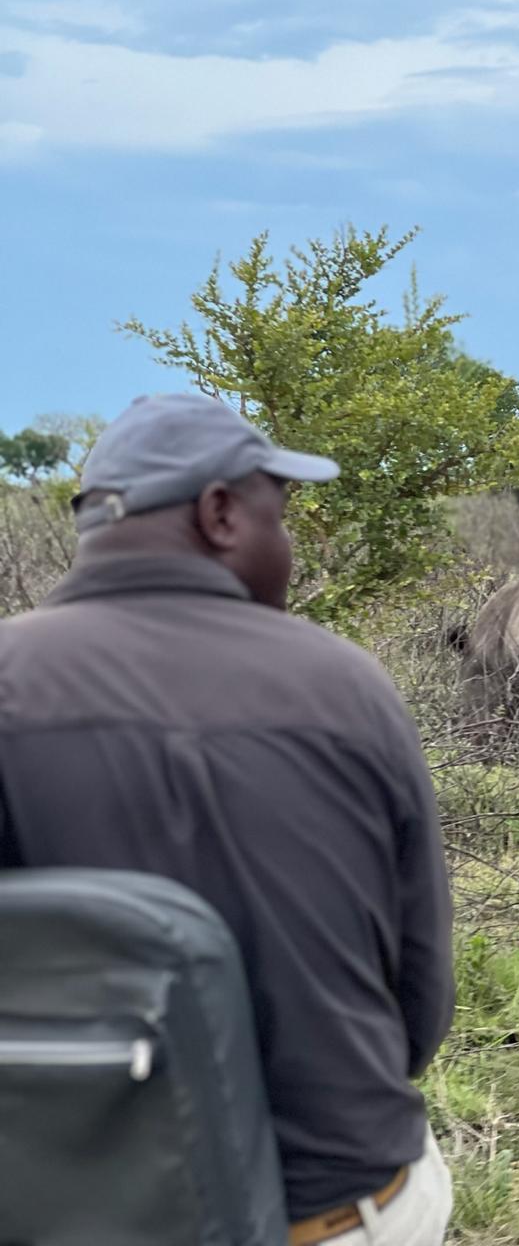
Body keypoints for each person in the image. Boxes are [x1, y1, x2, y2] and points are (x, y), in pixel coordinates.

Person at [0, 393, 455, 1246]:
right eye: (277, 517)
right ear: (219, 514)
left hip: (72, 1210)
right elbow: (420, 1003)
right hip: (328, 1206)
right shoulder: (344, 686)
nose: (284, 545)